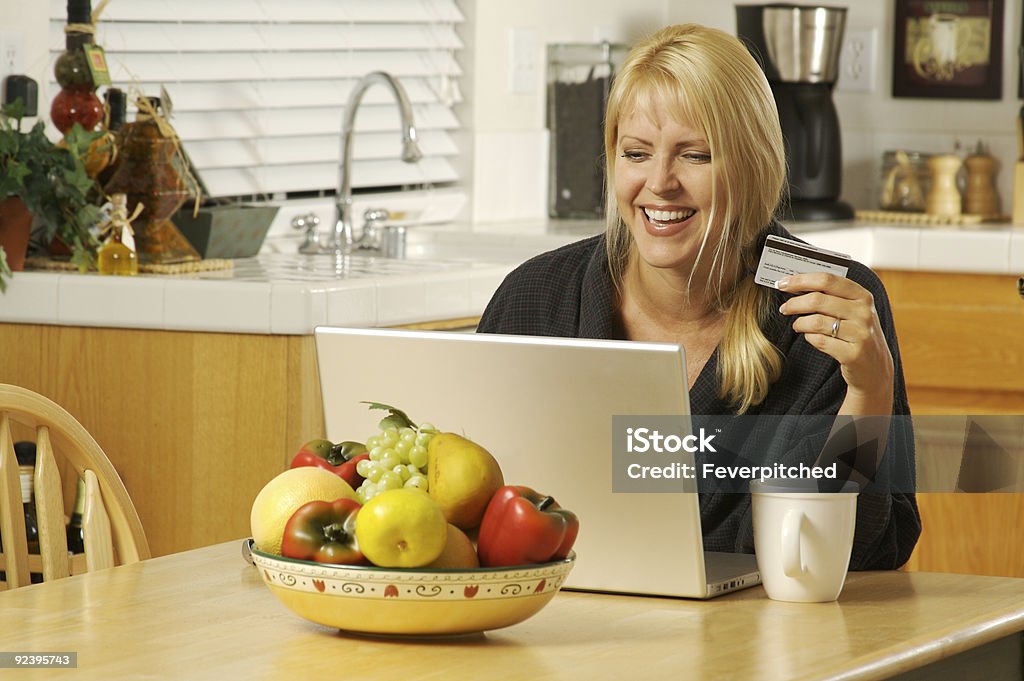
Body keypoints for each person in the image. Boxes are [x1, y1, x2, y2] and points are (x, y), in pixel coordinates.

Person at [476, 23, 920, 570]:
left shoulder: (831, 304)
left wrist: (869, 395)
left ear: (753, 165)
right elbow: (472, 515)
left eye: (696, 155)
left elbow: (849, 552)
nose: (660, 183)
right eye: (636, 153)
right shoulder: (535, 299)